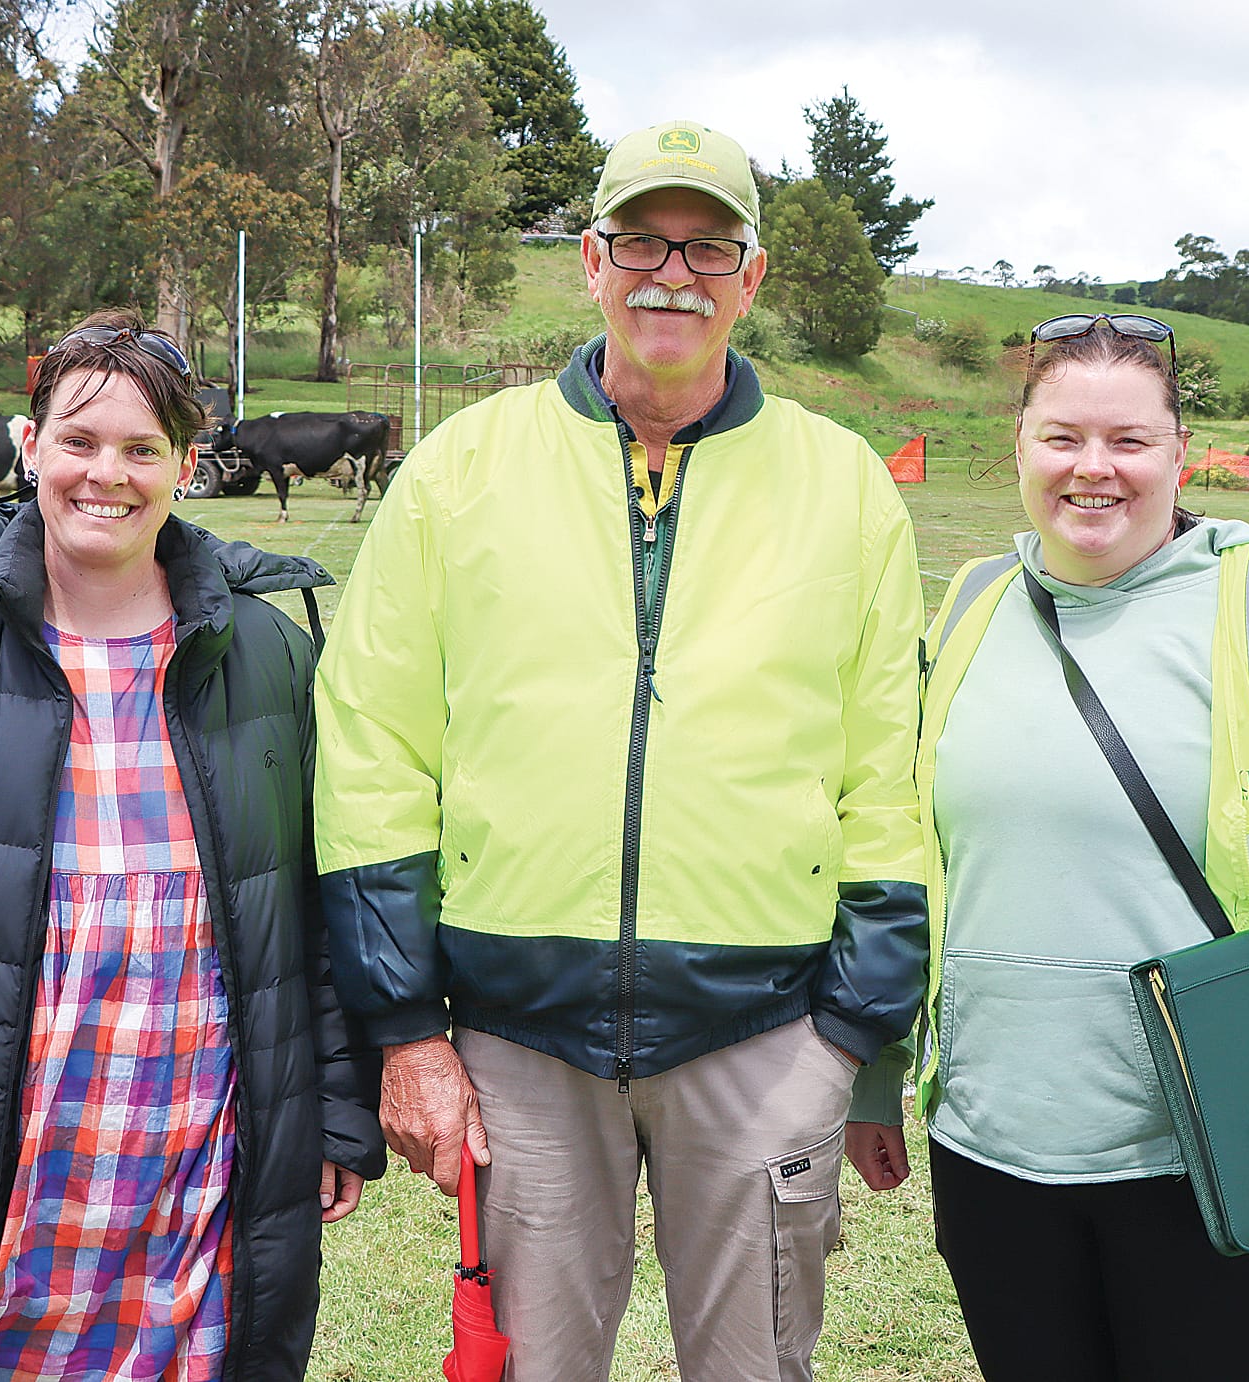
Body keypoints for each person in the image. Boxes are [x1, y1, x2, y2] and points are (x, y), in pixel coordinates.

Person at [313, 119, 929, 1382]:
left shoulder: (845, 484)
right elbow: (374, 743)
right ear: (590, 259)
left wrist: (846, 1032)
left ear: (751, 277)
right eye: (644, 238)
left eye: (709, 246)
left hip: (766, 1036)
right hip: (518, 1036)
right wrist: (406, 1031)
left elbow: (887, 765)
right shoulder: (458, 471)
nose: (673, 271)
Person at [0, 308, 384, 1381]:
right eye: (80, 441)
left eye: (144, 448)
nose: (109, 474)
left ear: (186, 465)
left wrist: (336, 1101)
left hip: (197, 1189)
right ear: (28, 445)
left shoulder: (273, 659)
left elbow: (323, 906)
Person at [847, 313, 1249, 1382]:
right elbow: (910, 857)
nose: (1093, 468)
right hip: (988, 1147)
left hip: (1205, 1152)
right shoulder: (975, 602)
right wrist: (875, 1070)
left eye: (1128, 440)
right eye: (1060, 437)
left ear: (1179, 454)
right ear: (1019, 449)